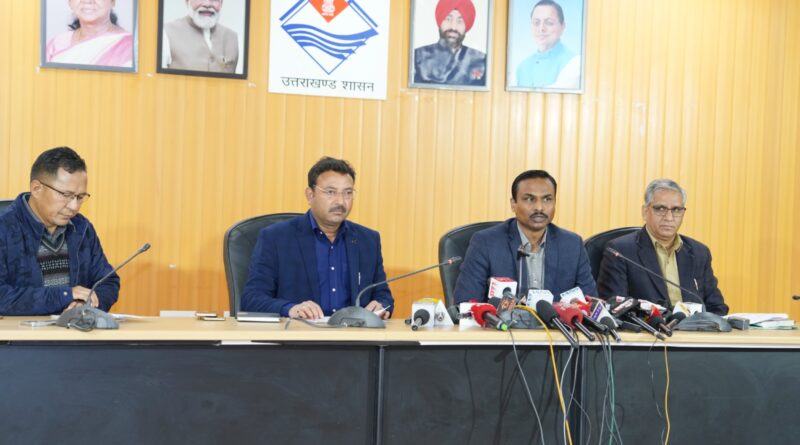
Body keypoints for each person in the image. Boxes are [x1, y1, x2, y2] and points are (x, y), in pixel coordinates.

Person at [242, 157, 393, 320]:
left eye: (348, 193)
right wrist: (290, 308)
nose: (341, 201)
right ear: (310, 195)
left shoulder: (368, 240)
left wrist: (381, 305)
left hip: (353, 333)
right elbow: (252, 299)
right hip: (300, 332)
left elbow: (384, 296)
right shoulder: (276, 238)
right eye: (330, 192)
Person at [0, 147, 119, 315]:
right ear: (36, 189)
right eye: (66, 195)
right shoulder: (4, 227)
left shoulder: (82, 227)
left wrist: (87, 304)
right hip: (20, 331)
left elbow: (108, 281)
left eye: (80, 197)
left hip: (72, 329)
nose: (74, 206)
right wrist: (65, 295)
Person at [454, 170, 597, 304]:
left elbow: (590, 304)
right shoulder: (486, 243)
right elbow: (466, 304)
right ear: (513, 204)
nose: (539, 207)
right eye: (529, 199)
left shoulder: (572, 245)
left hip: (556, 324)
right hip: (502, 323)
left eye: (547, 199)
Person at [597, 179, 729, 315]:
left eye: (676, 210)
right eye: (660, 209)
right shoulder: (620, 251)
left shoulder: (699, 253)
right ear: (645, 212)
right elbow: (616, 309)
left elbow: (717, 307)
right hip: (649, 327)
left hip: (694, 327)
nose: (669, 217)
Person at [413, 0, 487, 86]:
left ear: (466, 26)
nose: (453, 27)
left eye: (460, 21)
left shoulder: (481, 60)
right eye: (448, 19)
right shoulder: (417, 57)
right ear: (440, 22)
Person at [515, 0, 580, 89]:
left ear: (563, 26)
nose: (541, 28)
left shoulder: (575, 63)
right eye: (536, 23)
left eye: (549, 23)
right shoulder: (522, 68)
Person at [45, 0, 133, 67]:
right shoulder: (55, 45)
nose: (88, 1)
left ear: (113, 1)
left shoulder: (130, 46)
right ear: (70, 2)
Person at [162, 0, 239, 73]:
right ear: (187, 1)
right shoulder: (166, 33)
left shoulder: (234, 38)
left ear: (221, 3)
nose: (207, 4)